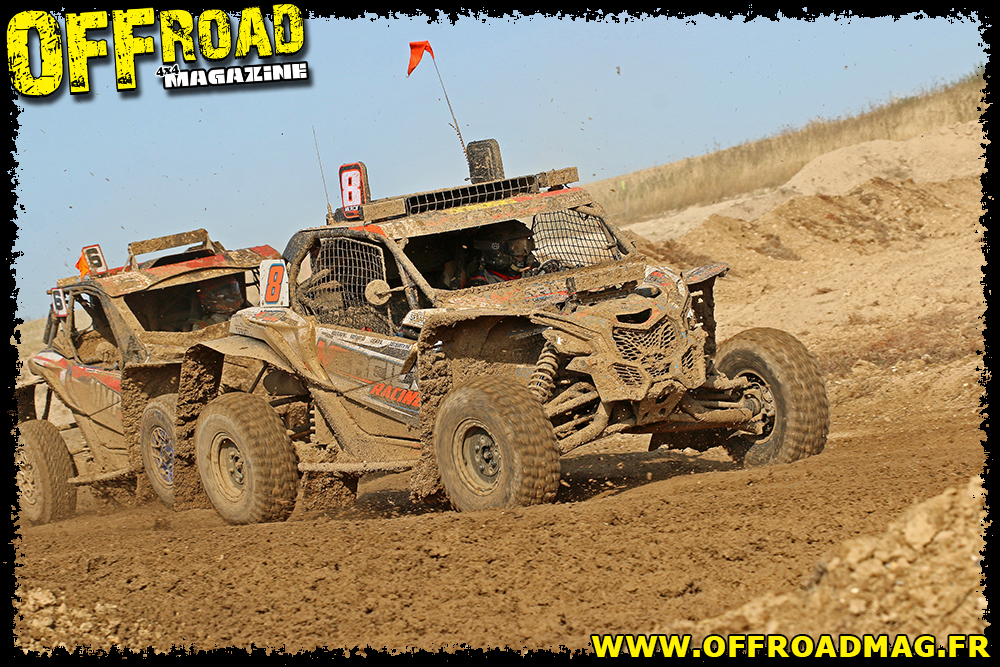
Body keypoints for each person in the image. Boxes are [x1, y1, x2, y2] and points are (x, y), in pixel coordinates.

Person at [467, 220, 538, 286]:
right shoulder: (480, 285)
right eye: (517, 248)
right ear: (495, 252)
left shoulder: (533, 271)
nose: (524, 254)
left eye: (528, 246)